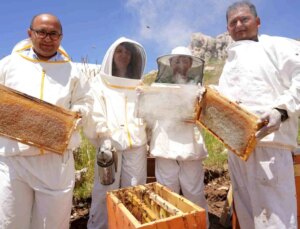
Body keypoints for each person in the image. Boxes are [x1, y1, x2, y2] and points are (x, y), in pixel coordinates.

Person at [0, 14, 93, 229]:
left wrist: (76, 115)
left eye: (53, 34)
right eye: (41, 32)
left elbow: (86, 101)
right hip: (14, 158)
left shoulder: (74, 71)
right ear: (29, 33)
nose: (47, 38)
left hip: (55, 160)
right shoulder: (7, 64)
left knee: (52, 223)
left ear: (61, 37)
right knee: (10, 221)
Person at [217, 1, 300, 228]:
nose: (239, 25)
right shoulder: (229, 63)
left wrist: (280, 110)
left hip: (270, 147)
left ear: (258, 21)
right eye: (233, 22)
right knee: (248, 217)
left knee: (275, 220)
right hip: (237, 151)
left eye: (244, 19)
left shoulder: (278, 46)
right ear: (228, 29)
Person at [143, 46, 209, 226]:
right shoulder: (157, 86)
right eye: (177, 61)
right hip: (164, 142)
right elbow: (147, 114)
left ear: (190, 65)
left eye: (185, 61)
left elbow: (206, 116)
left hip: (190, 144)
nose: (181, 64)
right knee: (167, 190)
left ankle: (198, 225)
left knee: (194, 189)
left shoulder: (198, 88)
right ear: (171, 64)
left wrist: (204, 99)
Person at [87, 37, 147, 229]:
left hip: (136, 145)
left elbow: (146, 113)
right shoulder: (99, 83)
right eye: (119, 51)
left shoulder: (139, 85)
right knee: (105, 191)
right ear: (112, 55)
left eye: (127, 52)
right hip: (109, 146)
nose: (123, 55)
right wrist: (103, 136)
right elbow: (94, 112)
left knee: (135, 189)